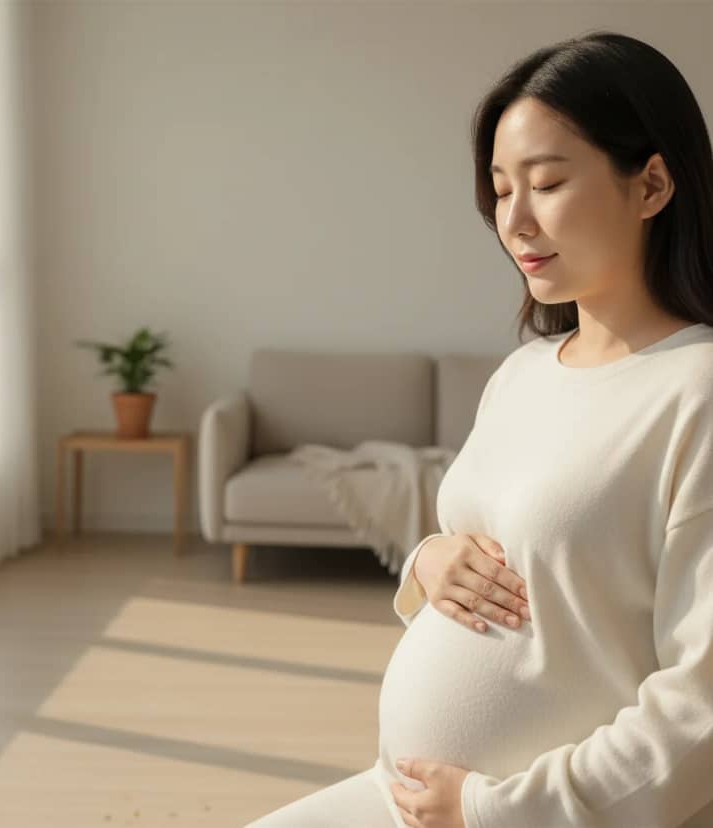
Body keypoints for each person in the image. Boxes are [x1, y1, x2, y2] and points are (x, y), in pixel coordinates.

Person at [246, 29, 713, 828]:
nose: (516, 220)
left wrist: (497, 810)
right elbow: (497, 547)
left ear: (653, 184)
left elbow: (701, 708)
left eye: (547, 183)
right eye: (500, 189)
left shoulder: (696, 391)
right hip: (409, 798)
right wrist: (429, 561)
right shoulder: (524, 373)